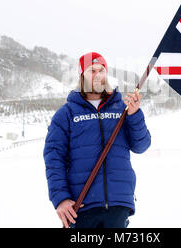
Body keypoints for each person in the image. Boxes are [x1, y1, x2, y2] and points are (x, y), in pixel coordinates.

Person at [43, 52, 151, 228]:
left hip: (118, 203)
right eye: (92, 70)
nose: (98, 75)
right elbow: (54, 158)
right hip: (82, 206)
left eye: (101, 70)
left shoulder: (123, 108)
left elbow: (141, 145)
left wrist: (134, 115)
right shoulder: (66, 114)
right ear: (81, 75)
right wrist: (60, 198)